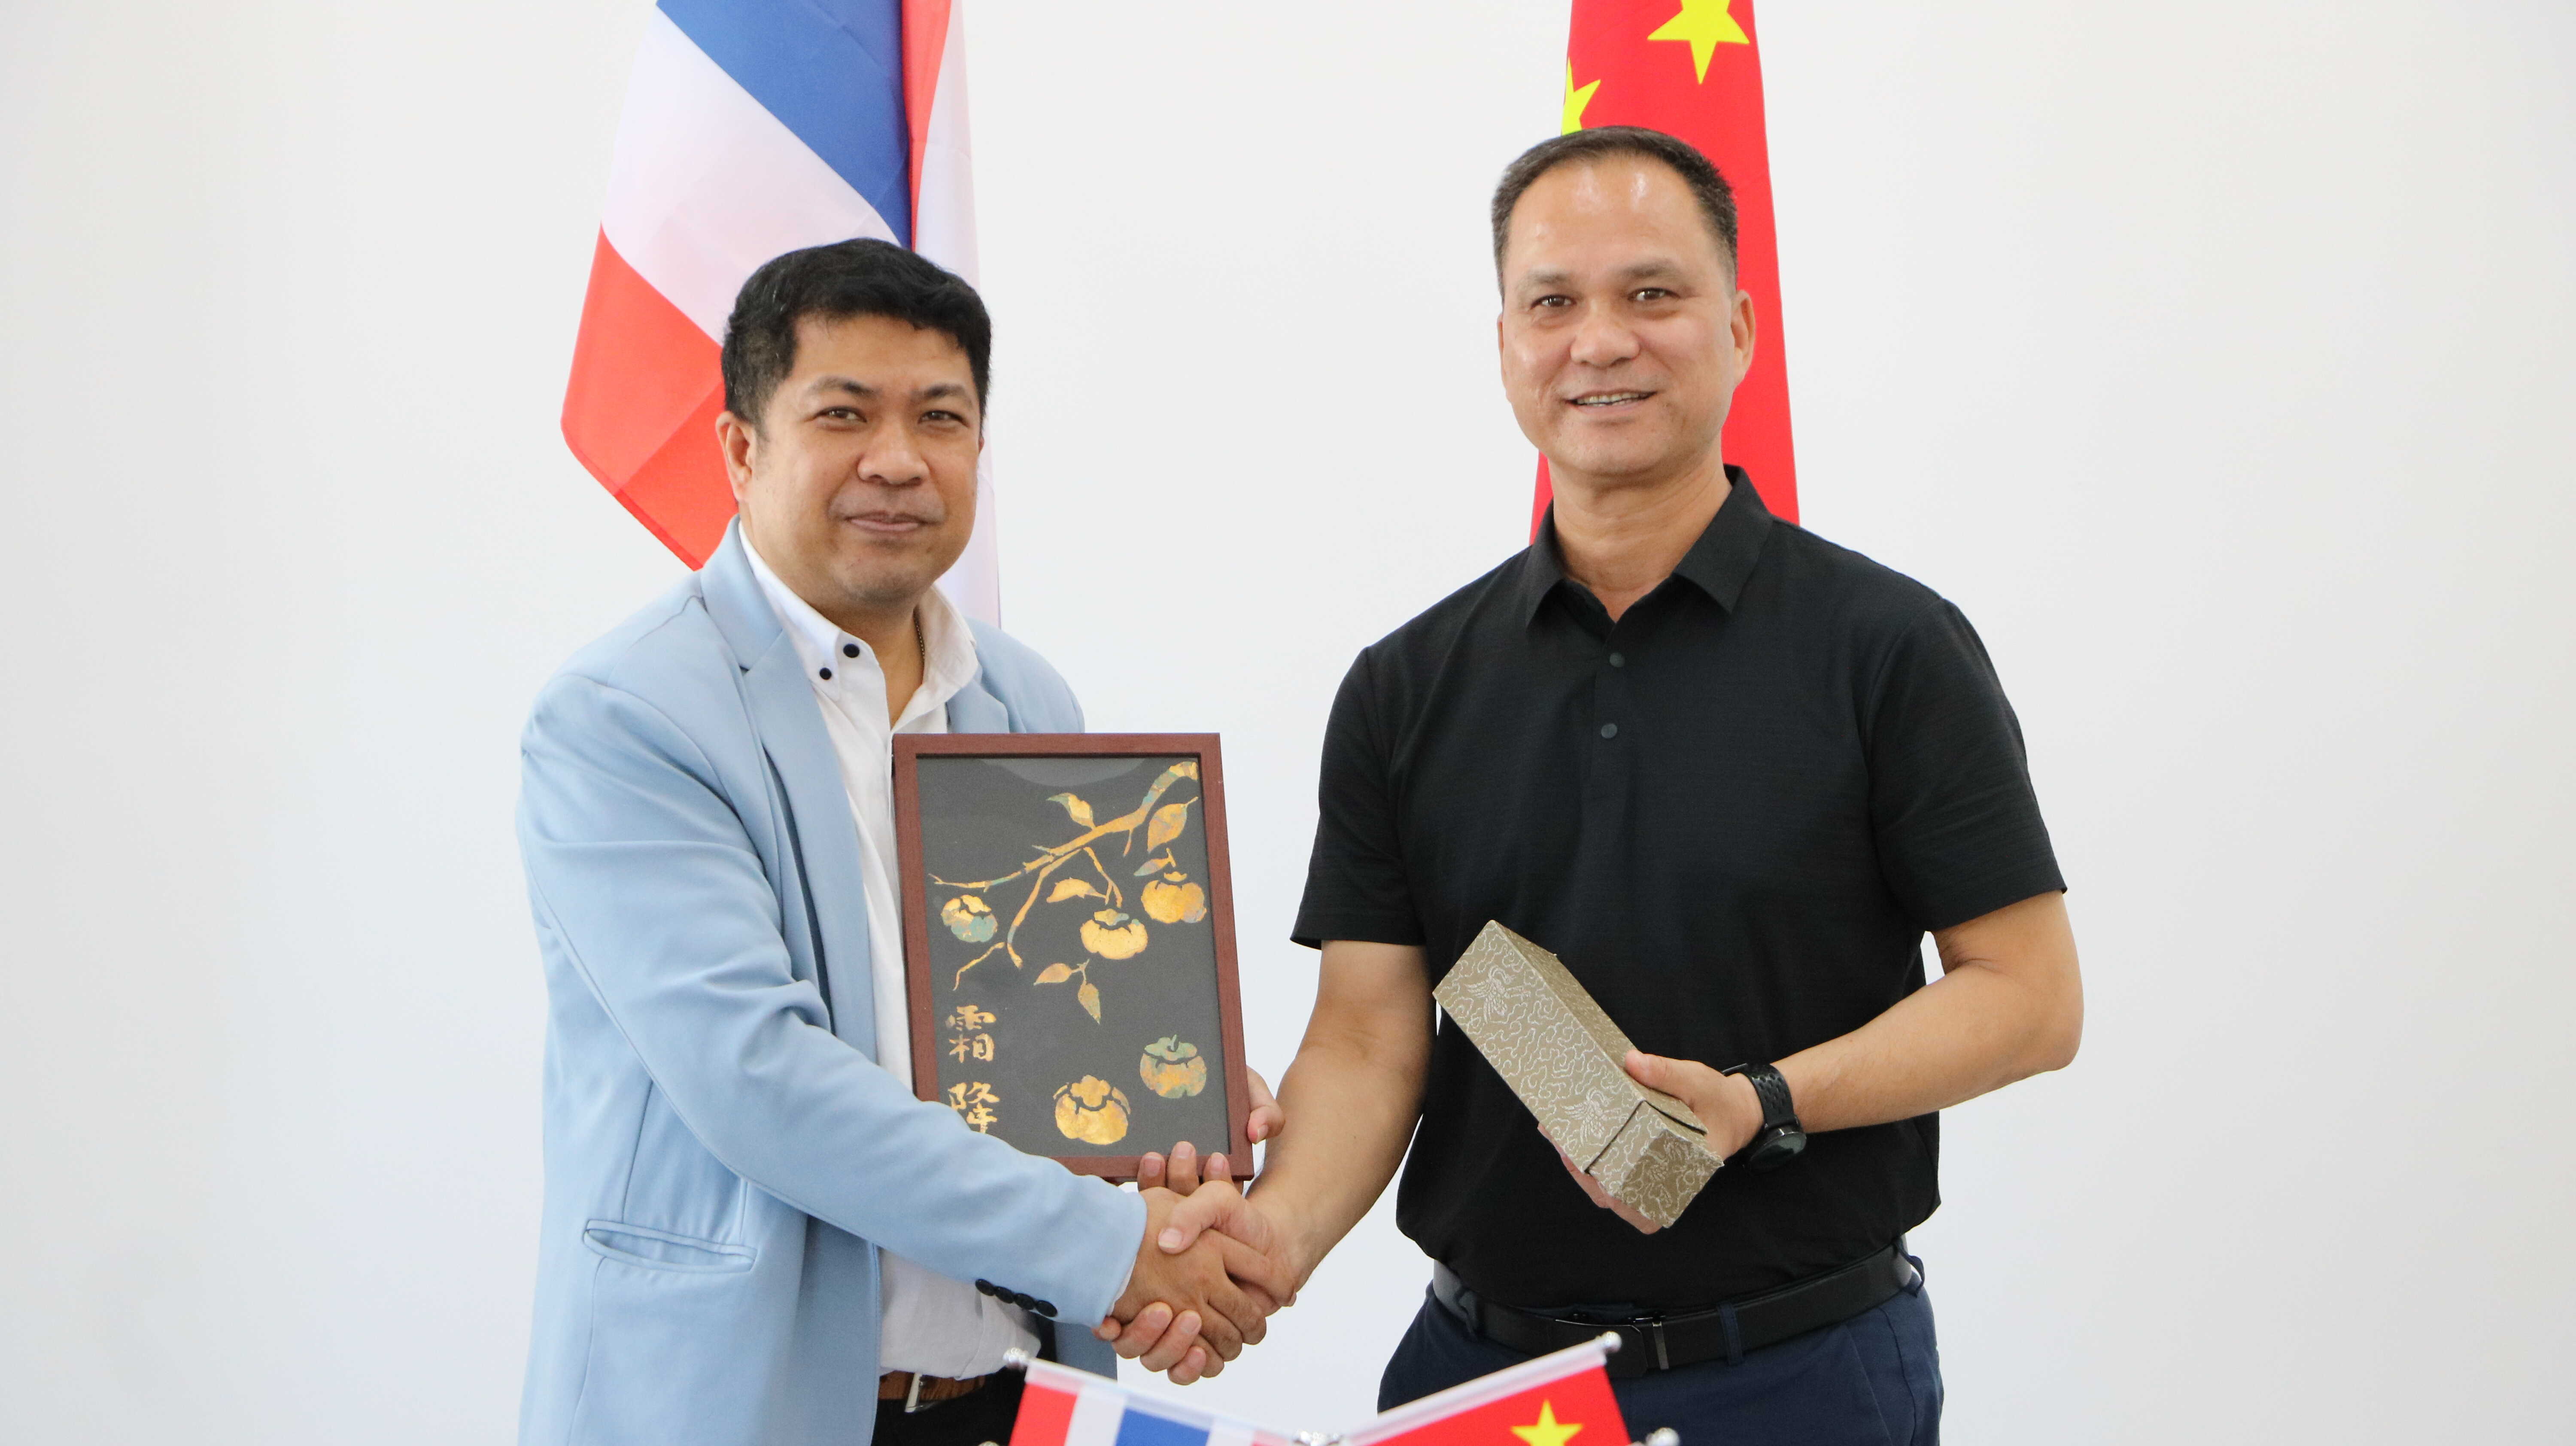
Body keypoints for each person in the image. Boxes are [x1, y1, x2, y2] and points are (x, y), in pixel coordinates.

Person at [1126, 127, 2082, 1444]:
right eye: (1553, 303)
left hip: (1801, 1377)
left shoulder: (1889, 649)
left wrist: (1762, 1102)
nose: (1601, 341)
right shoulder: (1408, 684)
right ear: (1505, 345)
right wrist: (1269, 1243)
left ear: (1739, 328)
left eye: (1651, 293)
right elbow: (1365, 1038)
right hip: (1481, 1382)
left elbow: (2029, 999)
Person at [514, 238, 1287, 1446]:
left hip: (1009, 1402)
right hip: (737, 1410)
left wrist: (1168, 1086)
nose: (898, 459)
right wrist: (1113, 1248)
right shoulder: (627, 720)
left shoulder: (1022, 700)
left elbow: (1038, 1033)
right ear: (740, 449)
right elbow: (760, 1081)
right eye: (844, 414)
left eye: (941, 417)